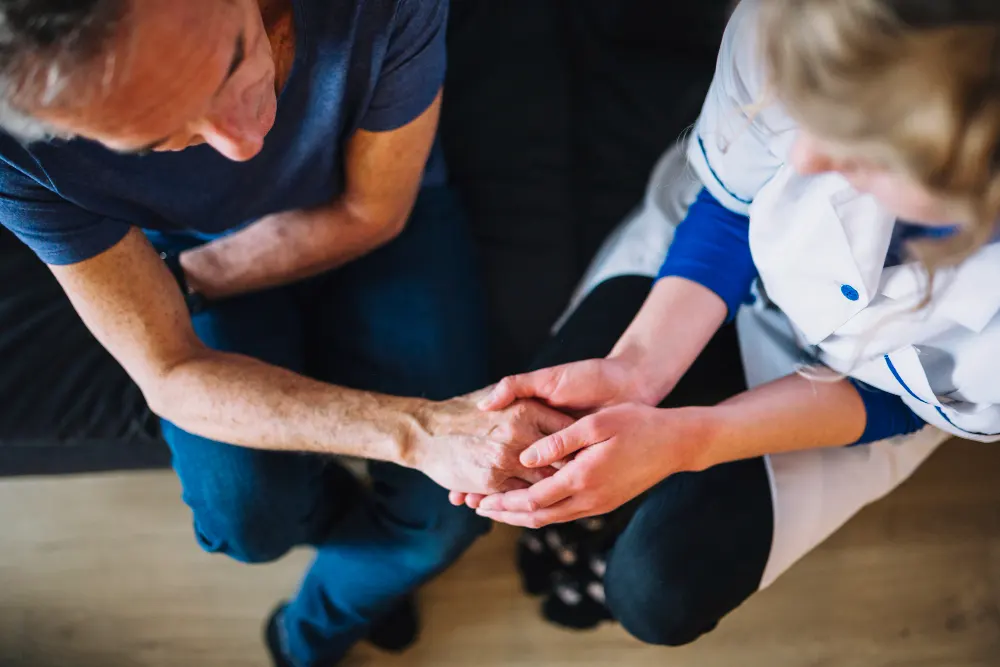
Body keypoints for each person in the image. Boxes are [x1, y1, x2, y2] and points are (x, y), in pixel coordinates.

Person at [0, 1, 574, 665]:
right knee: (246, 520)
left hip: (380, 217)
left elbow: (371, 213)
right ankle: (362, 562)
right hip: (186, 251)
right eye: (157, 138)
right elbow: (168, 370)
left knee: (442, 520)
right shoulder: (16, 154)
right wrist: (416, 432)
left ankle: (311, 632)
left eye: (232, 63)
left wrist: (175, 287)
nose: (243, 142)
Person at [452, 0, 1000, 646]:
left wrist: (690, 439)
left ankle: (605, 571)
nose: (807, 160)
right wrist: (637, 368)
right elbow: (732, 207)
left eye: (862, 145)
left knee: (657, 590)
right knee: (558, 424)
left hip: (868, 388)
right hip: (716, 273)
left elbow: (905, 401)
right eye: (809, 110)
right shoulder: (792, 19)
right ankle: (578, 530)